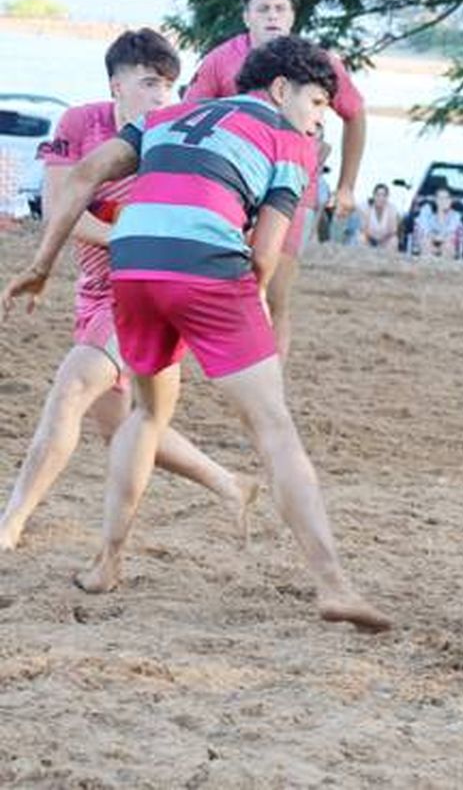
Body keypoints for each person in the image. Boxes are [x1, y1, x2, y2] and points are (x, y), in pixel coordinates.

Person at [3, 36, 391, 632]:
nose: (319, 122)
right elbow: (264, 253)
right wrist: (251, 309)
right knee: (273, 426)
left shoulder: (169, 114)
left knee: (147, 413)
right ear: (282, 89)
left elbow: (83, 175)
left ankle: (108, 561)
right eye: (317, 104)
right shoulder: (292, 143)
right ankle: (334, 584)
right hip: (207, 267)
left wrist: (40, 266)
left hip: (132, 267)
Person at [0, 29, 256, 550]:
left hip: (147, 291)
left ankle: (11, 523)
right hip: (95, 289)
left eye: (168, 85)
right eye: (148, 84)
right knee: (124, 426)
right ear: (115, 85)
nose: (162, 97)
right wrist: (113, 239)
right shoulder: (80, 123)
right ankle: (231, 483)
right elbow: (59, 208)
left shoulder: (174, 134)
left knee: (69, 391)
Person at [185, 0, 367, 360]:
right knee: (213, 283)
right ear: (246, 16)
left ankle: (268, 379)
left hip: (292, 188)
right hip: (229, 189)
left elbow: (355, 113)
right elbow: (189, 113)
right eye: (262, 9)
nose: (272, 16)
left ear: (292, 16)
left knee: (272, 293)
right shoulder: (221, 60)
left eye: (280, 9)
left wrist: (347, 186)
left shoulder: (318, 62)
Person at [413, 186, 463, 259]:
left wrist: (437, 239)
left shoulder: (455, 216)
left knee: (448, 245)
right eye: (441, 198)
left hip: (446, 246)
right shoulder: (427, 213)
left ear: (451, 201)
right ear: (436, 200)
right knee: (426, 242)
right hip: (429, 245)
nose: (444, 201)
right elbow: (424, 232)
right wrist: (435, 239)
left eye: (447, 198)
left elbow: (450, 234)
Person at [359, 183, 400, 251]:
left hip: (385, 240)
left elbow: (393, 231)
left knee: (394, 240)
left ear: (387, 197)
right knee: (361, 238)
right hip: (370, 239)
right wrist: (371, 239)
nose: (381, 198)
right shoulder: (367, 207)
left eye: (384, 195)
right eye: (378, 195)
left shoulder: (392, 209)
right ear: (374, 196)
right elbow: (363, 228)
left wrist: (382, 241)